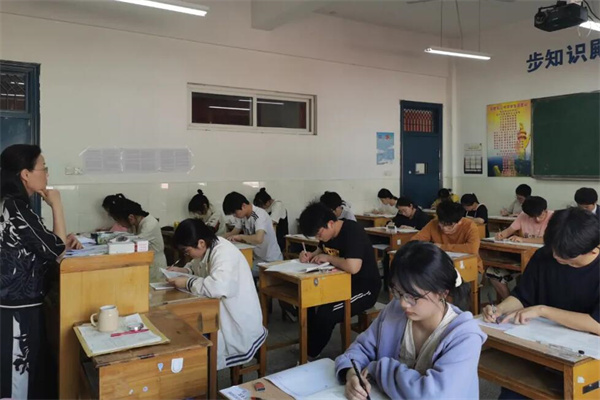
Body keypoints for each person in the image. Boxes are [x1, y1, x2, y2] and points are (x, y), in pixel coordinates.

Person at [335, 242, 486, 400]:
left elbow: (433, 395)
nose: (403, 303)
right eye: (398, 293)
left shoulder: (465, 337)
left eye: (412, 296)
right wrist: (352, 374)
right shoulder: (394, 311)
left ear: (442, 293)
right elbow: (359, 349)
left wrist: (379, 369)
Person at [483, 208, 599, 399]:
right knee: (514, 393)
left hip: (588, 356)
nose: (556, 257)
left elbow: (597, 324)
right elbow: (523, 295)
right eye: (553, 250)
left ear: (593, 250)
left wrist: (543, 311)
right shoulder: (545, 255)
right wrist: (500, 308)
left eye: (565, 257)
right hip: (543, 346)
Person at [0, 144, 69, 399]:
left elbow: (44, 244)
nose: (47, 174)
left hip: (13, 306)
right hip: (16, 309)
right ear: (25, 174)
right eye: (43, 168)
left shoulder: (11, 205)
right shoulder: (16, 208)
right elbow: (56, 250)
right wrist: (56, 205)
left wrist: (61, 239)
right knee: (17, 381)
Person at [166, 219, 267, 369]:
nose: (187, 255)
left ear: (200, 243)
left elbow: (218, 287)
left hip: (237, 319)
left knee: (194, 338)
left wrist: (187, 282)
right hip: (220, 310)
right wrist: (183, 270)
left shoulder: (223, 252)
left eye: (187, 251)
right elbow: (196, 266)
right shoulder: (209, 246)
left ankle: (205, 376)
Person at [298, 202, 380, 358]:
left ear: (330, 223)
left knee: (326, 313)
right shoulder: (328, 234)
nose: (318, 238)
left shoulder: (352, 231)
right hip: (339, 285)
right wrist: (309, 255)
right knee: (308, 302)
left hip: (363, 289)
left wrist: (328, 258)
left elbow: (353, 267)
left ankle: (309, 355)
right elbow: (320, 250)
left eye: (319, 234)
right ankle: (307, 347)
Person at [490, 196, 554, 300]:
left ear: (545, 210)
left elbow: (548, 239)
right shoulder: (523, 216)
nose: (537, 220)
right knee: (492, 273)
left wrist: (523, 240)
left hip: (543, 260)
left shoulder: (554, 217)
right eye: (532, 217)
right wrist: (501, 235)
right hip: (521, 258)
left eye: (540, 216)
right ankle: (511, 303)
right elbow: (509, 231)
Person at [410, 201, 483, 275]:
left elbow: (472, 248)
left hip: (468, 266)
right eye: (441, 224)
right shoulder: (433, 223)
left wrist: (442, 247)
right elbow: (414, 241)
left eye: (450, 226)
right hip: (441, 266)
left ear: (459, 222)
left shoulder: (470, 226)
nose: (444, 229)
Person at [222, 192, 282, 274]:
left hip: (271, 261)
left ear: (243, 206)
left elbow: (258, 239)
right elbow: (233, 233)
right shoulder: (242, 216)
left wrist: (241, 237)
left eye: (235, 213)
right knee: (232, 268)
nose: (234, 216)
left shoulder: (258, 215)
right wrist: (217, 237)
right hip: (258, 260)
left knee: (238, 273)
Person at [109, 197, 167, 282]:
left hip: (154, 263)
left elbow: (133, 242)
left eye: (119, 221)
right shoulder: (135, 223)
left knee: (151, 287)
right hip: (143, 261)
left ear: (131, 217)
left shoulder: (149, 224)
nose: (119, 224)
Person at [253, 188, 289, 253]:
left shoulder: (278, 204)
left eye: (262, 206)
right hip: (266, 236)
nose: (261, 209)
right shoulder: (265, 207)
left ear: (267, 202)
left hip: (279, 237)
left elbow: (272, 222)